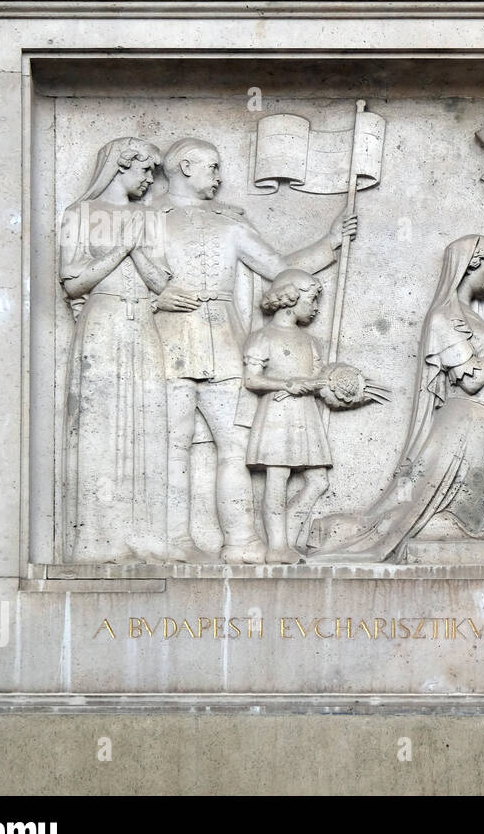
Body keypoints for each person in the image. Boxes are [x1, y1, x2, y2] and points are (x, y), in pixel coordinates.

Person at [149, 137, 356, 563]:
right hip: (166, 339)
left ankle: (241, 541)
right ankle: (174, 541)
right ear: (185, 166)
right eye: (213, 167)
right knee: (172, 443)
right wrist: (155, 300)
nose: (220, 177)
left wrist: (330, 243)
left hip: (225, 341)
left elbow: (279, 271)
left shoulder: (230, 222)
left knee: (236, 448)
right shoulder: (146, 218)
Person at [310, 236, 484, 560]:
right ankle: (338, 533)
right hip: (464, 427)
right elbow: (473, 379)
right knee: (435, 520)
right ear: (470, 265)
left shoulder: (471, 317)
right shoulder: (444, 317)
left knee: (469, 526)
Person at [59, 137, 171, 563]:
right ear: (122, 166)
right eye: (144, 171)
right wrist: (121, 250)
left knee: (147, 421)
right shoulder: (80, 215)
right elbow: (73, 283)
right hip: (102, 323)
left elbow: (162, 282)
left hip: (142, 322)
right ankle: (96, 538)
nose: (149, 180)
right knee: (99, 426)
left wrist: (137, 249)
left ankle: (144, 537)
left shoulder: (149, 218)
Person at [242, 270, 334, 564]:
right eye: (312, 299)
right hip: (278, 412)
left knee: (319, 481)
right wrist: (286, 384)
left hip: (305, 414)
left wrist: (342, 386)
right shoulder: (262, 337)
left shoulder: (311, 342)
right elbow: (251, 380)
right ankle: (277, 546)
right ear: (292, 298)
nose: (317, 307)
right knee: (277, 478)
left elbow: (321, 380)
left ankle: (288, 534)